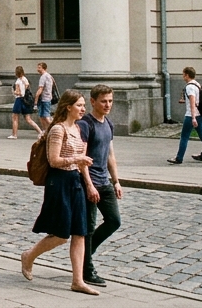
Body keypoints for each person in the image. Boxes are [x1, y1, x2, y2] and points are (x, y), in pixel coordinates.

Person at [21, 89, 98, 295]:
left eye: (83, 105)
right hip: (59, 182)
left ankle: (77, 281)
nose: (83, 109)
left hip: (76, 181)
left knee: (80, 233)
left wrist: (89, 184)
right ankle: (29, 256)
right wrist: (76, 160)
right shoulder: (58, 130)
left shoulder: (78, 129)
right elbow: (54, 160)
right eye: (80, 105)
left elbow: (83, 162)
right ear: (68, 107)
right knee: (61, 235)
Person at [78, 84, 123, 288]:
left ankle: (86, 253)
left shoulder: (108, 124)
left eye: (110, 101)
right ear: (93, 101)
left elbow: (110, 155)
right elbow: (82, 158)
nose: (108, 105)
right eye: (104, 101)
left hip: (104, 182)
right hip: (90, 183)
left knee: (114, 220)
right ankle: (87, 269)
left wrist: (117, 181)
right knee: (87, 227)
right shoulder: (86, 124)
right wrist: (89, 185)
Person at [169, 67, 202, 166]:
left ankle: (179, 158)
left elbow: (193, 102)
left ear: (187, 75)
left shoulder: (189, 87)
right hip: (200, 115)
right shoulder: (197, 84)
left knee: (184, 137)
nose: (183, 76)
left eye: (183, 74)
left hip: (191, 116)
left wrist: (193, 117)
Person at [11, 66, 43, 139]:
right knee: (28, 119)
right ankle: (40, 132)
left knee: (15, 117)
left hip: (19, 100)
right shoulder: (25, 80)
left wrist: (13, 92)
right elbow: (25, 90)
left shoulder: (18, 81)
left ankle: (14, 134)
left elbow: (18, 92)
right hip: (26, 101)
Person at [35, 62, 56, 128]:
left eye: (39, 68)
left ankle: (54, 128)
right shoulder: (49, 76)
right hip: (48, 97)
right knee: (42, 116)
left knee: (46, 117)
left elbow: (40, 89)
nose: (37, 69)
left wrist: (36, 100)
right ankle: (45, 130)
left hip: (44, 99)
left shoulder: (43, 77)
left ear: (44, 68)